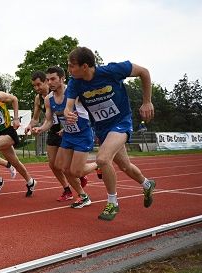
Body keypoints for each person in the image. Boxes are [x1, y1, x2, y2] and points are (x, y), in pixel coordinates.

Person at [64, 46, 156, 221]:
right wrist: (69, 112)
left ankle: (112, 202)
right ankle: (147, 184)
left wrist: (147, 102)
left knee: (103, 159)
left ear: (85, 66)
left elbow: (144, 72)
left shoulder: (112, 70)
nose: (69, 69)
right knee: (125, 166)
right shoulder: (75, 82)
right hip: (102, 128)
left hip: (121, 122)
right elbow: (69, 105)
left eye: (71, 65)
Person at [32, 66, 96, 209]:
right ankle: (83, 196)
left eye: (53, 79)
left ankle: (100, 164)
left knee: (76, 171)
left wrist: (79, 116)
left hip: (83, 134)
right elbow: (49, 121)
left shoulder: (74, 92)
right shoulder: (48, 99)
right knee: (62, 167)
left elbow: (91, 109)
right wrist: (40, 129)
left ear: (62, 78)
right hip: (68, 135)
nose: (50, 82)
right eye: (48, 80)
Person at [25, 71, 78, 201]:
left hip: (68, 130)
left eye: (39, 84)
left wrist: (65, 127)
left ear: (46, 82)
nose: (37, 88)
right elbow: (36, 118)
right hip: (52, 130)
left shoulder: (61, 93)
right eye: (34, 86)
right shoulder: (40, 99)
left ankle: (81, 175)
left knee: (64, 165)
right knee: (52, 165)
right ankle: (67, 189)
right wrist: (30, 126)